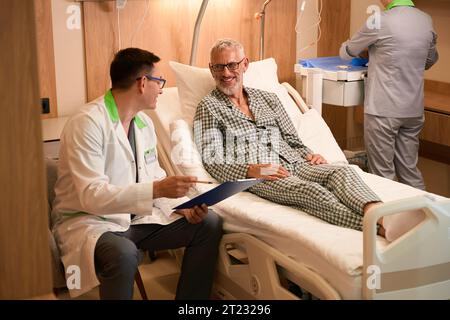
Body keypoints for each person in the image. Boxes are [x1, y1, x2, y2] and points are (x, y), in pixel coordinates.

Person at [52, 48, 223, 300]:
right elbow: (91, 196)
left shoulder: (143, 125)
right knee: (123, 253)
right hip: (91, 221)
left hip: (134, 220)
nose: (162, 89)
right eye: (159, 82)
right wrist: (157, 189)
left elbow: (153, 178)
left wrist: (182, 207)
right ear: (143, 83)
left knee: (209, 223)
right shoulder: (87, 123)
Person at [193, 38, 385, 234]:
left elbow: (292, 139)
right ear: (211, 69)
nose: (225, 73)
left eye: (232, 65)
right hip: (264, 174)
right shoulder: (208, 107)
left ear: (245, 64)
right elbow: (212, 160)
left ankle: (384, 217)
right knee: (312, 191)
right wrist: (251, 171)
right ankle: (376, 229)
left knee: (343, 172)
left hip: (297, 163)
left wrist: (310, 155)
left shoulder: (268, 98)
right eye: (219, 67)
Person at [340, 0, 439, 190]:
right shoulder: (425, 20)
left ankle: (387, 219)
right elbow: (429, 60)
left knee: (382, 175)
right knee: (409, 171)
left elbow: (347, 52)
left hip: (383, 110)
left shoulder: (379, 20)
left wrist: (369, 50)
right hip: (413, 110)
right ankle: (423, 216)